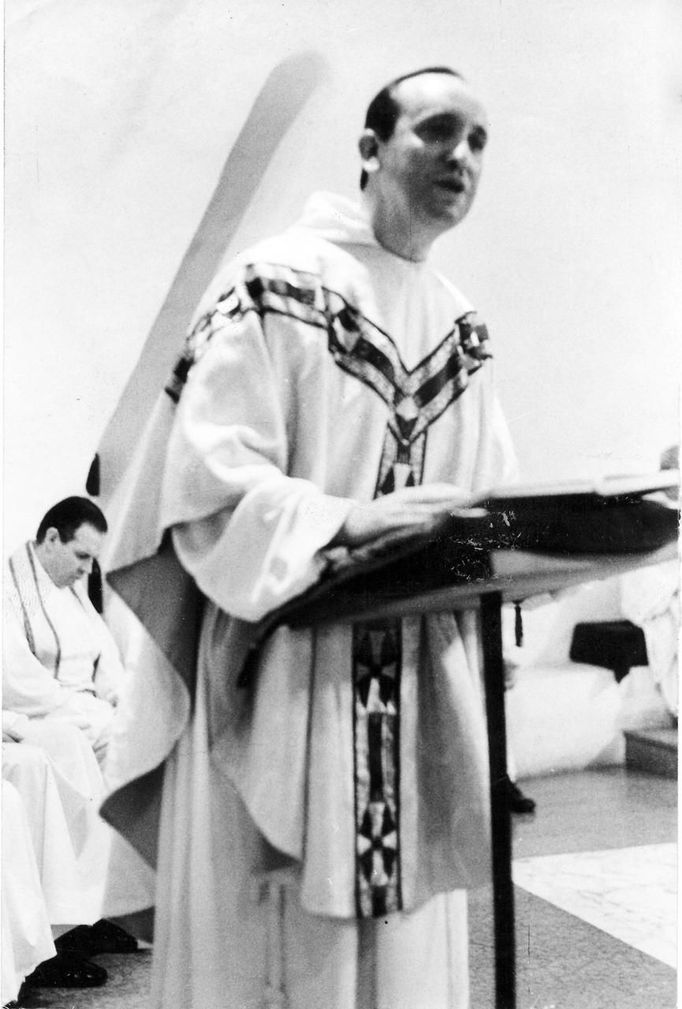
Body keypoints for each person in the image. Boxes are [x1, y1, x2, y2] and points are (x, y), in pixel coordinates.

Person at [101, 67, 518, 1009]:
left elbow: (487, 506)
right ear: (371, 151)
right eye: (438, 131)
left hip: (410, 689)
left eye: (480, 141)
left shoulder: (464, 327)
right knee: (279, 958)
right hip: (287, 669)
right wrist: (345, 519)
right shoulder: (272, 285)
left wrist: (523, 546)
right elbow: (205, 488)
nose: (462, 156)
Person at [3, 496, 124, 762]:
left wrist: (120, 699)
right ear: (52, 539)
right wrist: (96, 713)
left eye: (93, 559)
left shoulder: (70, 588)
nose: (88, 570)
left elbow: (105, 655)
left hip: (87, 710)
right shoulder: (12, 590)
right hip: (47, 714)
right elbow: (20, 684)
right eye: (82, 556)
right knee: (123, 741)